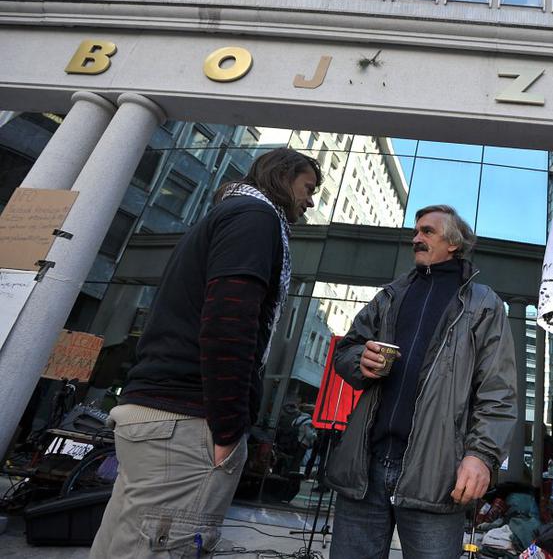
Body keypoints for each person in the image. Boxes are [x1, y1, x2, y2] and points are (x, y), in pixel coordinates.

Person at [91, 148, 322, 558]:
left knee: (124, 544)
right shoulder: (256, 218)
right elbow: (230, 321)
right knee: (162, 546)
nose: (311, 201)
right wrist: (229, 427)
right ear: (283, 177)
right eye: (308, 188)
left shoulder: (227, 215)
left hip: (156, 414)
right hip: (187, 422)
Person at [326, 204, 517, 559]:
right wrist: (359, 359)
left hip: (437, 476)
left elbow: (498, 391)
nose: (416, 238)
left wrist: (481, 456)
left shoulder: (483, 304)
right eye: (415, 231)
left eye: (427, 231)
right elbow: (346, 350)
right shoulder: (390, 295)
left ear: (454, 243)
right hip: (366, 467)